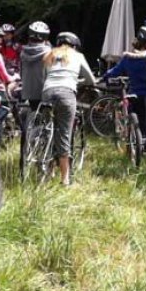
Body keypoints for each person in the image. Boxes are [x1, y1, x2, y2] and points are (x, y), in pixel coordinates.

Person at [41, 32, 96, 185]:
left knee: (48, 130)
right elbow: (91, 79)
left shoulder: (49, 54)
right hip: (66, 93)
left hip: (47, 92)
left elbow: (46, 77)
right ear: (74, 45)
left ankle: (48, 169)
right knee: (64, 132)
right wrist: (76, 81)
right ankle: (65, 179)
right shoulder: (77, 56)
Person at [102, 26, 146, 132]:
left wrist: (105, 76)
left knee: (133, 122)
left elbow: (114, 72)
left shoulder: (127, 58)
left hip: (134, 95)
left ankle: (132, 142)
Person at [19, 21, 52, 110]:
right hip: (44, 91)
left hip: (29, 91)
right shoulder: (49, 53)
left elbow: (21, 72)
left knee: (34, 112)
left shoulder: (23, 52)